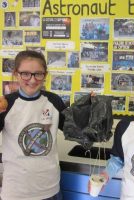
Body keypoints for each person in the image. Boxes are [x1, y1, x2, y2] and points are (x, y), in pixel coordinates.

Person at [0, 50, 66, 200]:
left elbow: (75, 130)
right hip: (16, 191)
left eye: (38, 74)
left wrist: (88, 109)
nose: (32, 79)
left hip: (50, 188)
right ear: (16, 73)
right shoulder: (6, 103)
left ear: (45, 75)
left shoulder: (54, 101)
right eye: (25, 73)